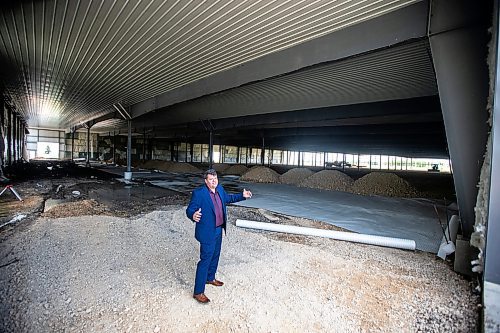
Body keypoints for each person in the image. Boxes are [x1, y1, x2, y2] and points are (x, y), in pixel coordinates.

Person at [186, 168, 252, 304]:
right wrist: (193, 215)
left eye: (215, 179)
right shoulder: (199, 194)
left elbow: (228, 198)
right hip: (207, 232)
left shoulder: (220, 189)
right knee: (205, 260)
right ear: (206, 181)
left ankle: (210, 278)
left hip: (218, 230)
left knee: (215, 255)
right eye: (211, 179)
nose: (214, 181)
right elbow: (190, 208)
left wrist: (242, 195)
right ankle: (198, 292)